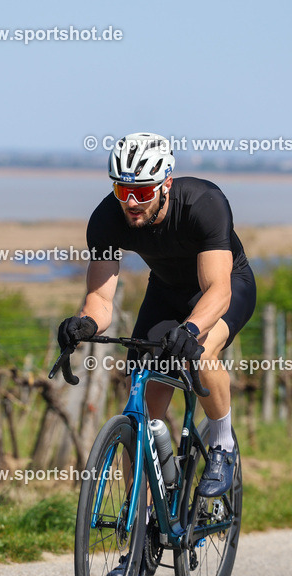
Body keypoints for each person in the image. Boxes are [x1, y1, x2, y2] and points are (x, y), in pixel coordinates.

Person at [57, 132, 256, 499]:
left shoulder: (203, 203)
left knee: (201, 351)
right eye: (122, 191)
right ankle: (142, 534)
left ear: (165, 184)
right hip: (165, 292)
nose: (131, 202)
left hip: (224, 286)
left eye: (143, 192)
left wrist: (192, 328)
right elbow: (100, 299)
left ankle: (222, 445)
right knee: (143, 410)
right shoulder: (105, 219)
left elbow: (218, 290)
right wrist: (82, 323)